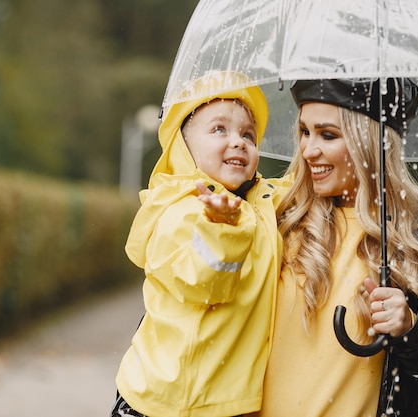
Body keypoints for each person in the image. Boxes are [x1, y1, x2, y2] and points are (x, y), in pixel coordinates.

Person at [252, 78, 418, 417]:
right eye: (304, 131)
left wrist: (414, 331)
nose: (309, 150)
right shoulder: (274, 222)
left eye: (328, 135)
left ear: (371, 142)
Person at [112, 71, 288, 417]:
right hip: (173, 402)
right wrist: (220, 229)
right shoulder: (180, 209)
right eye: (219, 129)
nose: (238, 141)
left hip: (223, 400)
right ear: (184, 147)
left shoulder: (256, 205)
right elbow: (203, 283)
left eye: (248, 135)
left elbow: (293, 188)